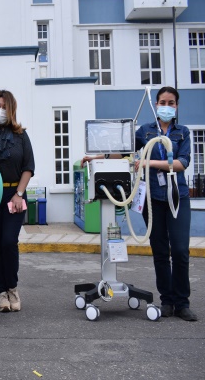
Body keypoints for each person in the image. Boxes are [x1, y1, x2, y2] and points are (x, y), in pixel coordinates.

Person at [82, 86, 197, 321]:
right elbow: (122, 152)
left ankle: (182, 302)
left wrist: (149, 163)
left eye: (171, 102)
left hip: (177, 198)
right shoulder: (145, 131)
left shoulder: (183, 133)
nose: (167, 106)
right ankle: (166, 301)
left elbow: (182, 163)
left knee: (180, 250)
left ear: (176, 106)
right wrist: (95, 157)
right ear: (156, 104)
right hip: (152, 200)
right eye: (163, 102)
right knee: (161, 251)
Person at [0, 90, 35, 312]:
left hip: (13, 195)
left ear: (11, 109)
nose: (0, 110)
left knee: (8, 242)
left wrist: (19, 194)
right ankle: (2, 293)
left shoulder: (21, 136)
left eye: (4, 106)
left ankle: (12, 288)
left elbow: (28, 167)